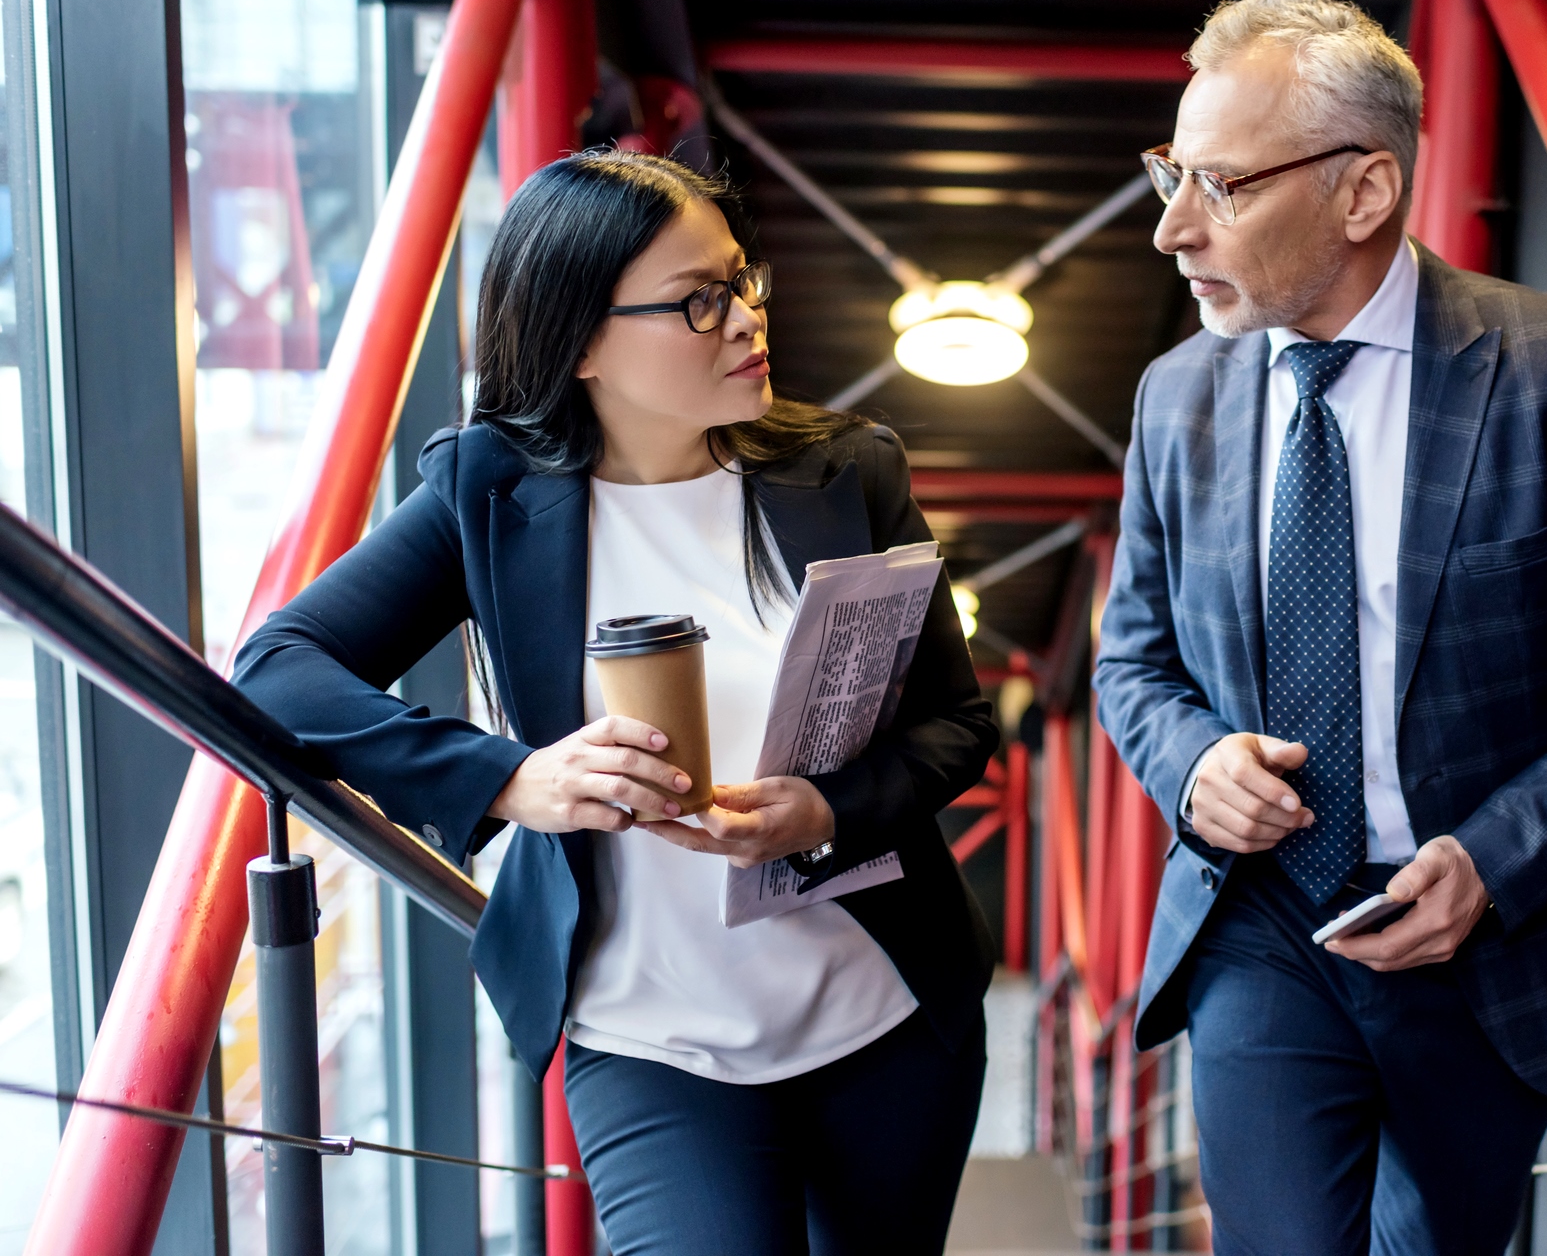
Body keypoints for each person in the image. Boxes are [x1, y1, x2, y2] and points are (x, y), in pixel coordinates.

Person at [1094, 0, 1547, 1254]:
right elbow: (1130, 659)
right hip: (1259, 923)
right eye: (1168, 176)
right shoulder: (1172, 395)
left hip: (1486, 946)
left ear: (1363, 194)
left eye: (1222, 187)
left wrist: (1496, 860)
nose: (1172, 227)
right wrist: (1192, 767)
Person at [234, 152, 998, 1256]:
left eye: (742, 281)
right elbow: (280, 666)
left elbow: (956, 724)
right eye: (699, 299)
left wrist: (826, 810)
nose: (743, 319)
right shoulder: (487, 494)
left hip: (885, 1019)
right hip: (651, 1046)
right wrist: (510, 779)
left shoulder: (848, 471)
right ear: (582, 340)